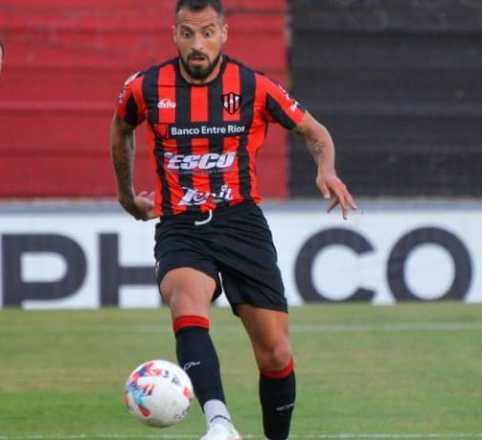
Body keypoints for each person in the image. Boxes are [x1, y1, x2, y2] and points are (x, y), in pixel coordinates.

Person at [109, 1, 357, 439]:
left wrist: (327, 169)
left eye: (207, 32)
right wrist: (128, 195)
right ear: (175, 35)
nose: (197, 44)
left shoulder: (253, 86)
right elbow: (121, 127)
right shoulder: (145, 87)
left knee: (275, 354)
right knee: (186, 304)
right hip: (181, 225)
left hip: (241, 223)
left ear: (224, 33)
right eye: (188, 33)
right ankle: (219, 424)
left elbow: (315, 133)